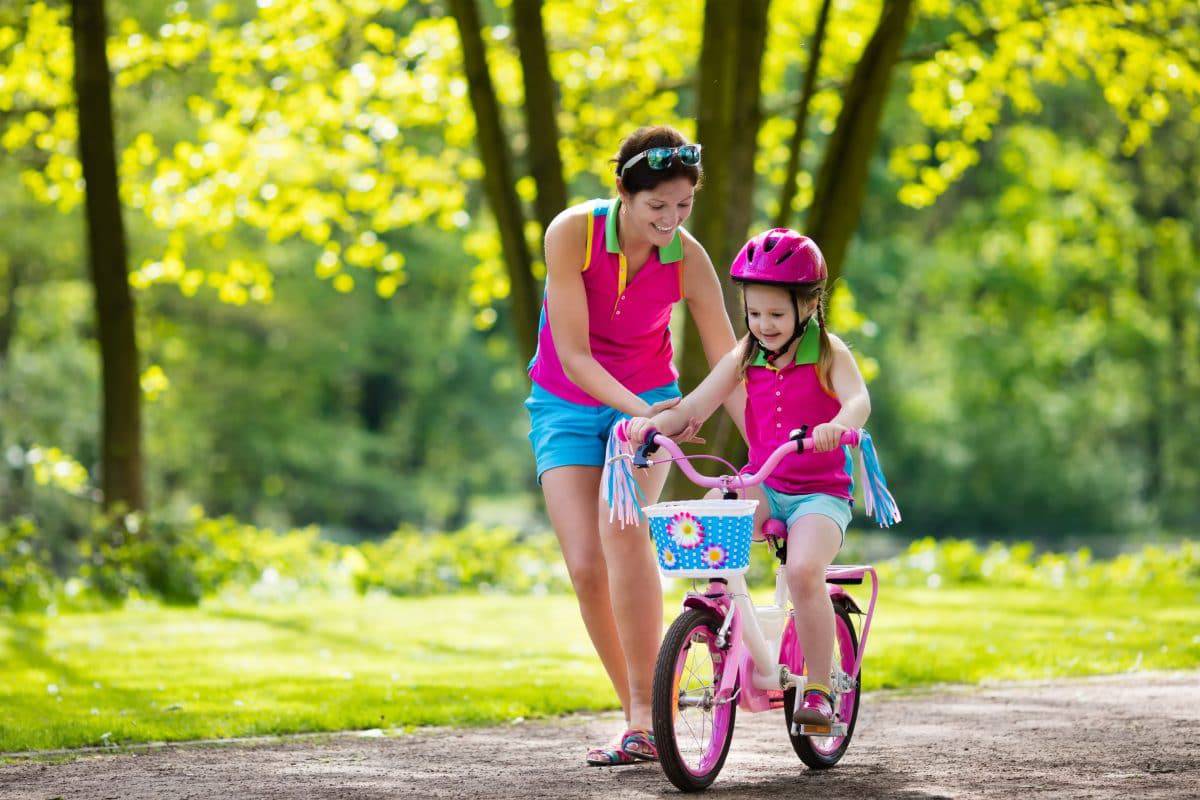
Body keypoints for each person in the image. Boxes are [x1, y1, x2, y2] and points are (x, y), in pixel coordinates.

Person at [525, 125, 743, 765]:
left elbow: (728, 356)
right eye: (657, 207)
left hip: (648, 403)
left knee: (623, 536)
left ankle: (643, 721)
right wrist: (650, 412)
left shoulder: (688, 257)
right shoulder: (571, 233)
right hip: (567, 404)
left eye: (683, 206)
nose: (671, 221)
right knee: (586, 565)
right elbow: (574, 354)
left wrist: (765, 441)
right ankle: (648, 713)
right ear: (622, 191)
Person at [625, 228, 871, 731]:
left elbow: (858, 400)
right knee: (712, 511)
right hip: (764, 482)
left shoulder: (829, 352)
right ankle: (718, 618)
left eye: (776, 315)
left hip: (819, 496)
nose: (764, 325)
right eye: (754, 313)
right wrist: (654, 427)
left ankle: (821, 688)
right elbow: (697, 403)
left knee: (803, 572)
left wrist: (839, 426)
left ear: (809, 305)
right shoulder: (746, 354)